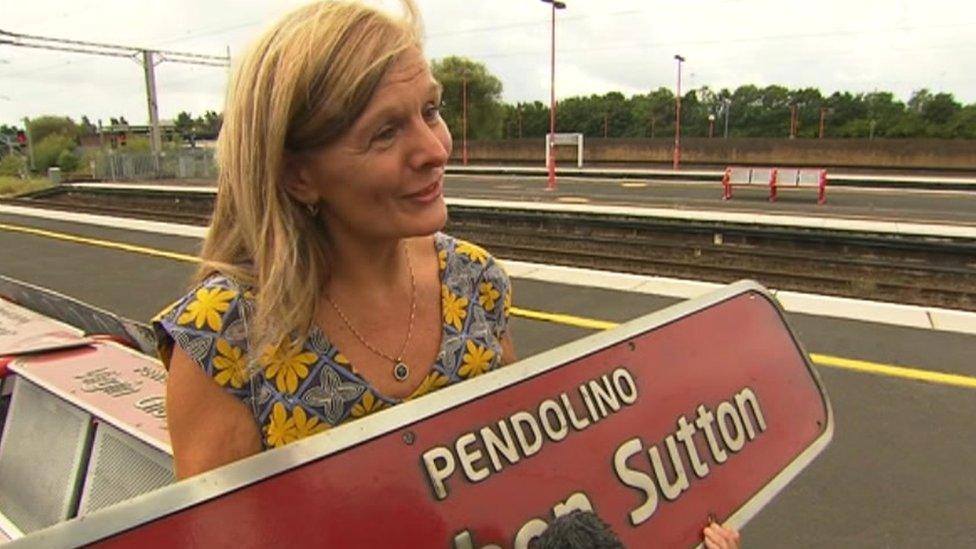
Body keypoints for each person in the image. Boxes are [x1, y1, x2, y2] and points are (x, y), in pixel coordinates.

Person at [154, 0, 515, 480]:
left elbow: (520, 471)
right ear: (299, 175)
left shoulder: (477, 282)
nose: (434, 150)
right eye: (385, 133)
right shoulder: (226, 337)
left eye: (430, 110)